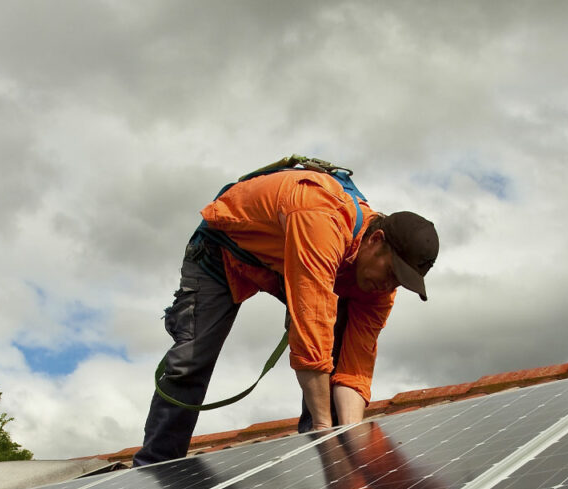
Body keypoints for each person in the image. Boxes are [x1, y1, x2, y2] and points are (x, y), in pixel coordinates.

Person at [133, 168, 438, 467]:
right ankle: (155, 468)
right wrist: (324, 430)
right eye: (391, 273)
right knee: (191, 362)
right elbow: (311, 329)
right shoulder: (321, 219)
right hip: (222, 252)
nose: (389, 286)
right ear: (375, 241)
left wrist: (353, 439)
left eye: (399, 282)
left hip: (283, 263)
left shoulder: (379, 289)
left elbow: (355, 368)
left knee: (338, 347)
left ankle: (326, 468)